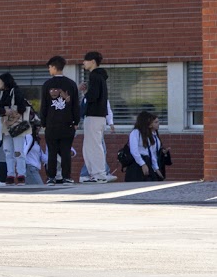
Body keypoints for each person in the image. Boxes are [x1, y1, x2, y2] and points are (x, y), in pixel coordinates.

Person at [41, 56, 81, 185]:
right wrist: (76, 121)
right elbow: (75, 105)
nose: (49, 70)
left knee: (52, 151)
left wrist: (43, 123)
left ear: (53, 67)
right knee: (65, 151)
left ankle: (51, 177)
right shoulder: (71, 84)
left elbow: (44, 106)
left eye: (49, 67)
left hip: (51, 124)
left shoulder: (47, 84)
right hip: (67, 124)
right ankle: (66, 177)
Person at [80, 51, 114, 183]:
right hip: (99, 116)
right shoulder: (101, 77)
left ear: (93, 61)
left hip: (94, 115)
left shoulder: (94, 76)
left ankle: (99, 174)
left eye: (86, 60)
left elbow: (93, 96)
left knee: (93, 146)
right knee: (91, 146)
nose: (84, 63)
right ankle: (95, 174)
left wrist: (86, 95)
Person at [0, 73, 30, 185]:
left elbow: (22, 108)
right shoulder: (2, 93)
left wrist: (10, 121)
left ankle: (21, 175)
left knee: (18, 151)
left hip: (16, 125)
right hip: (6, 126)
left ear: (5, 82)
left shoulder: (16, 92)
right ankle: (10, 174)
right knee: (8, 151)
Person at [119, 110, 163, 182]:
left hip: (147, 161)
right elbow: (134, 151)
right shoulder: (135, 133)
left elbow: (151, 152)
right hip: (137, 163)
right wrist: (142, 164)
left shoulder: (148, 134)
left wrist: (156, 168)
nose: (151, 123)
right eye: (150, 121)